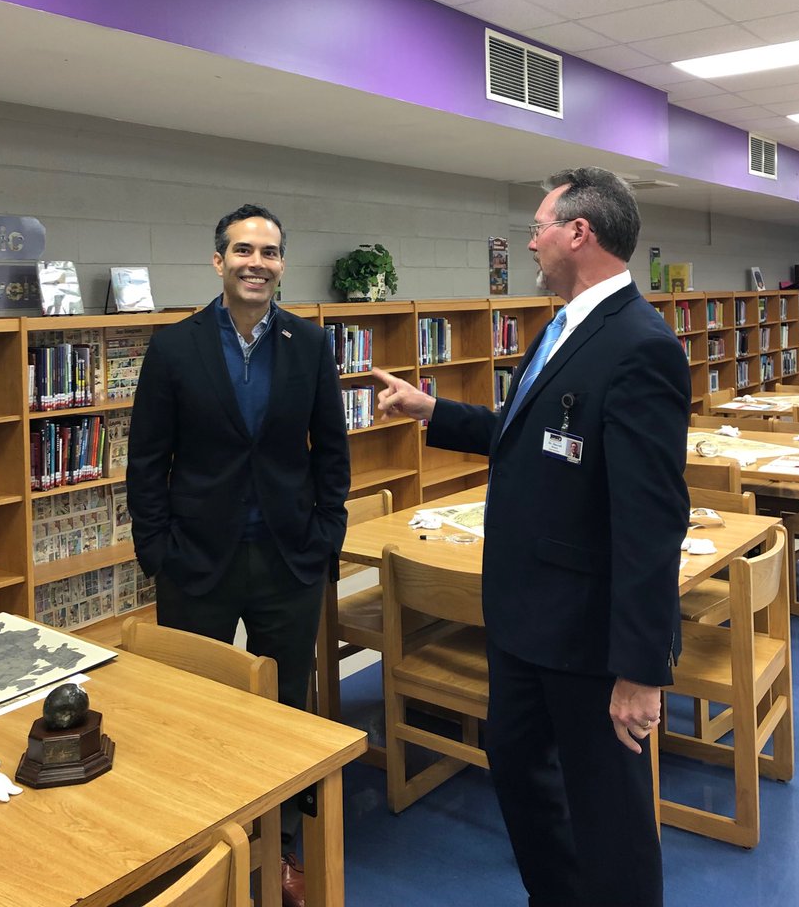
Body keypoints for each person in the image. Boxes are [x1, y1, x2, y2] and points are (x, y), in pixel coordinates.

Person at [374, 168, 690, 907]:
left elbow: (652, 520)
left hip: (586, 633)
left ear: (578, 233)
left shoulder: (640, 345)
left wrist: (643, 669)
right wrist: (433, 410)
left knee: (607, 809)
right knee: (517, 767)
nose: (530, 242)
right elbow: (527, 436)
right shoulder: (558, 327)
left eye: (538, 228)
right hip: (521, 617)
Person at [127, 203, 350, 907]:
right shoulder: (175, 347)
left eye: (270, 251)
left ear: (282, 264)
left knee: (289, 704)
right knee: (194, 707)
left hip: (288, 556)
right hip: (197, 559)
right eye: (242, 249)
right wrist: (157, 551)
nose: (257, 261)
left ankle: (280, 847)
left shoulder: (309, 345)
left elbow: (330, 453)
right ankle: (198, 849)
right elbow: (146, 461)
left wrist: (325, 537)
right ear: (218, 260)